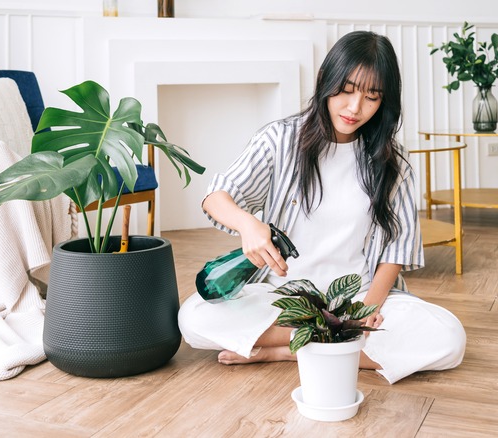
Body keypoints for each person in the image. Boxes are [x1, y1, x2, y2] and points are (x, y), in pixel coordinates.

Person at [177, 30, 466, 384]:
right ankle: (337, 346)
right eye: (346, 90)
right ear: (325, 81)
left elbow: (397, 248)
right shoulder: (280, 139)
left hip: (357, 298)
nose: (355, 108)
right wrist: (247, 224)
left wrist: (365, 312)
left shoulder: (393, 162)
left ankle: (288, 350)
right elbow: (217, 196)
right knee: (193, 320)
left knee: (449, 338)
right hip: (282, 298)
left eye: (371, 97)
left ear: (384, 102)